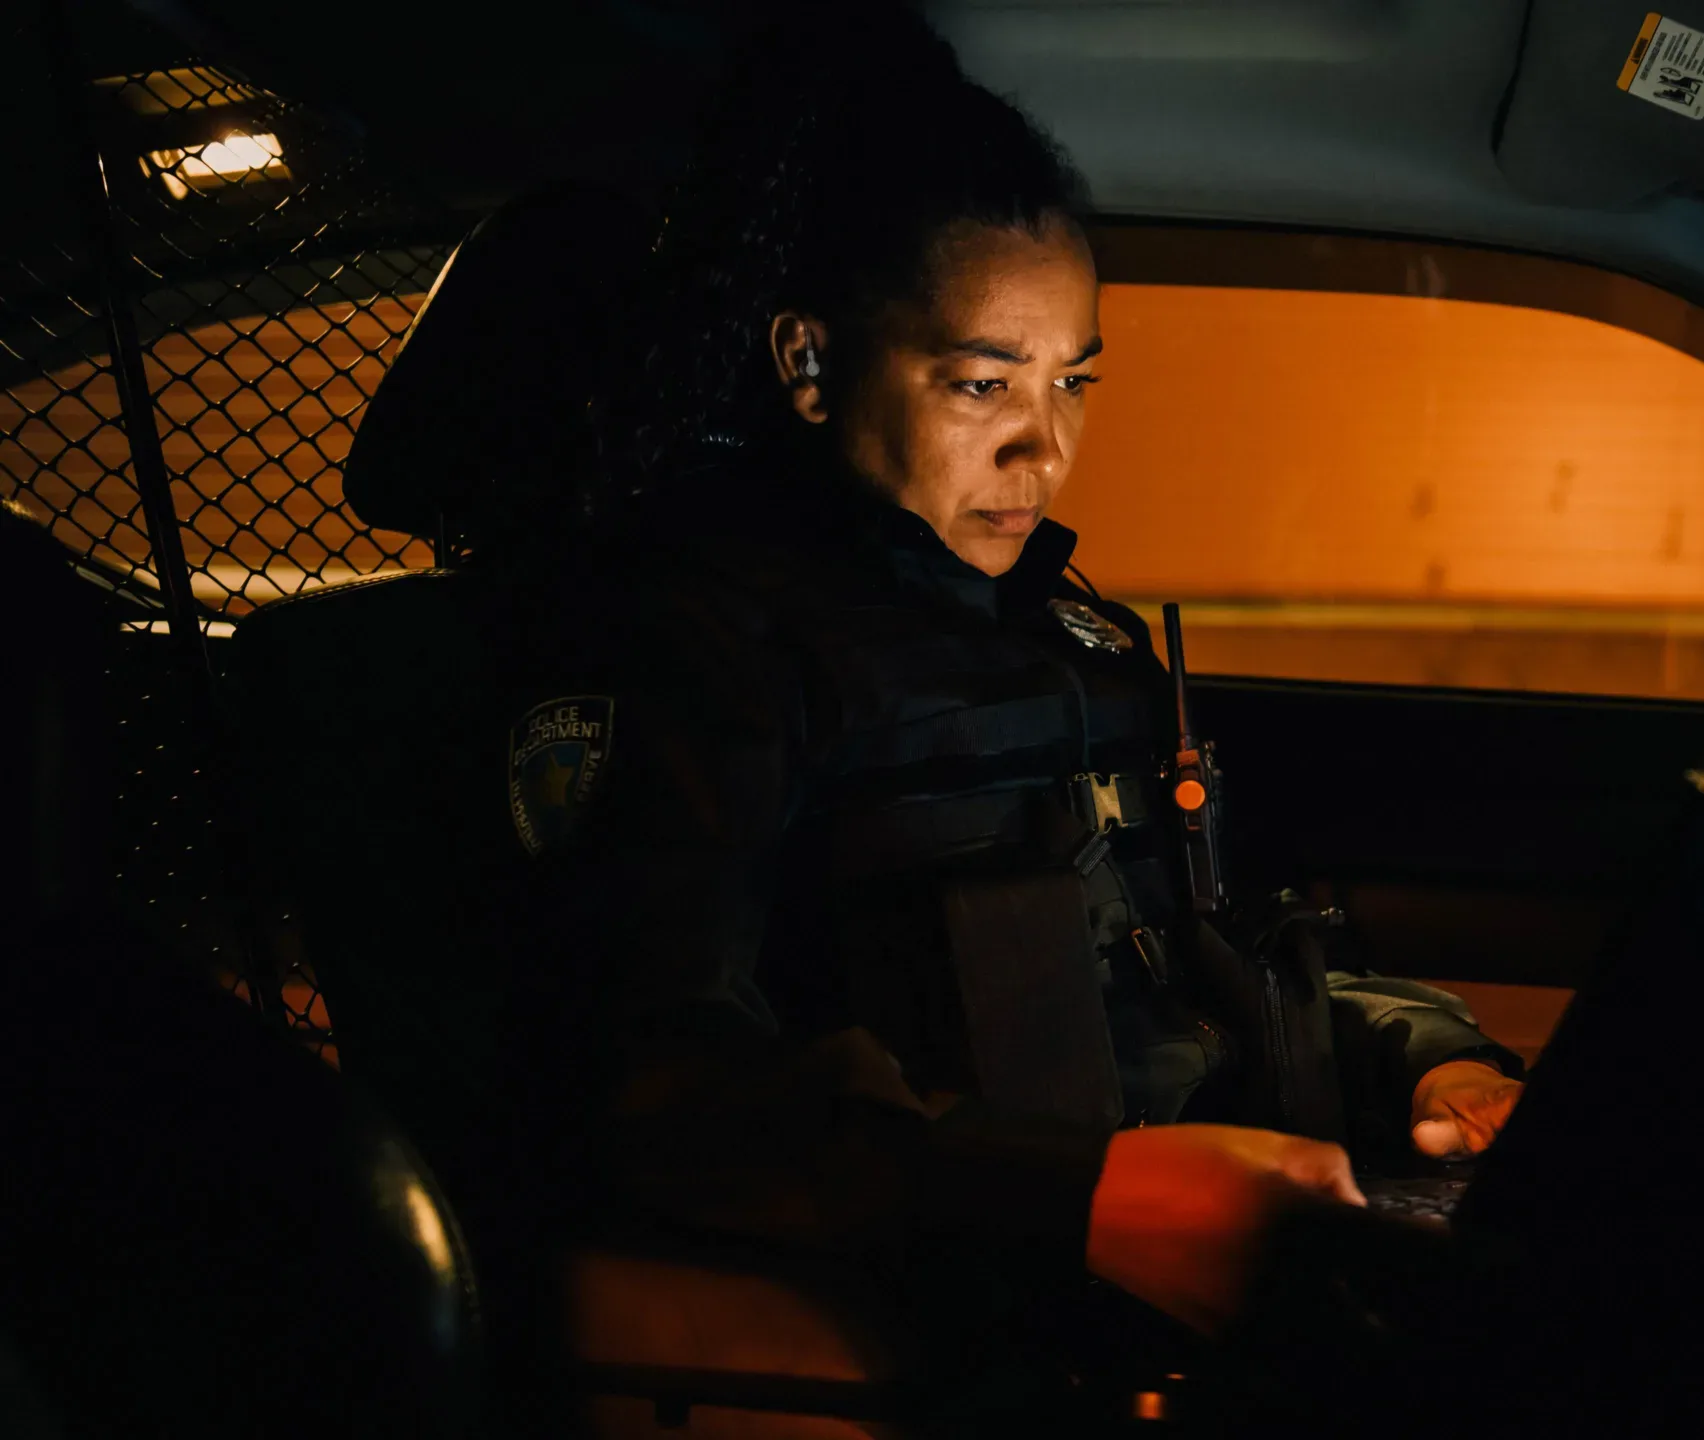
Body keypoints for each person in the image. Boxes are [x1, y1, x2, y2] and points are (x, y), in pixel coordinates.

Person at [501, 4, 1527, 1361]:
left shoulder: (1071, 638)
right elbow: (667, 1083)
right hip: (994, 1311)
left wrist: (1433, 1060)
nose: (1045, 449)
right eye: (984, 385)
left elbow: (1217, 950)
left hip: (1216, 1240)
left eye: (1073, 383)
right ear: (810, 363)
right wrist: (1088, 1200)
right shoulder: (706, 650)